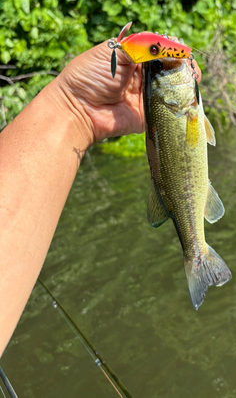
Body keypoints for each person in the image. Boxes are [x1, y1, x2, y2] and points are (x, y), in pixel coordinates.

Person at [0, 39, 200, 356]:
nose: (164, 65)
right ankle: (196, 253)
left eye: (157, 66)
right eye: (158, 67)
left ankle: (195, 252)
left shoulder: (179, 108)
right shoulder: (183, 108)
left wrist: (76, 105)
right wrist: (75, 103)